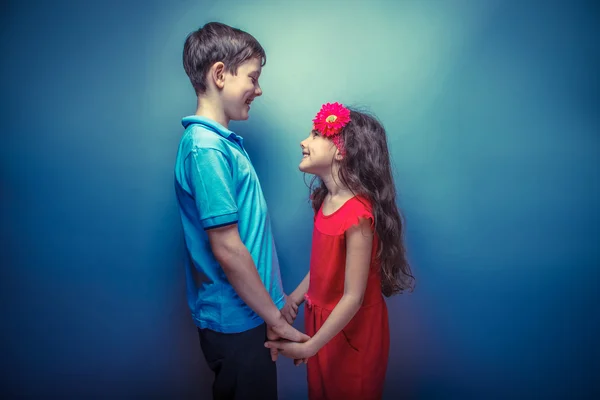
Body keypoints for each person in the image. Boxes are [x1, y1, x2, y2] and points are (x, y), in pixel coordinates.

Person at [174, 22, 308, 400]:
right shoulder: (206, 149)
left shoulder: (222, 144)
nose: (259, 89)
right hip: (238, 322)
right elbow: (228, 248)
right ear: (219, 74)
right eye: (253, 77)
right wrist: (273, 318)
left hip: (252, 315)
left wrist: (275, 307)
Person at [266, 102, 416, 399]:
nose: (303, 141)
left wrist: (311, 345)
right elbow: (323, 267)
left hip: (351, 332)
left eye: (314, 135)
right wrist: (291, 301)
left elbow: (353, 297)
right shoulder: (324, 201)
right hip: (322, 325)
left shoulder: (358, 215)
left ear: (340, 150)